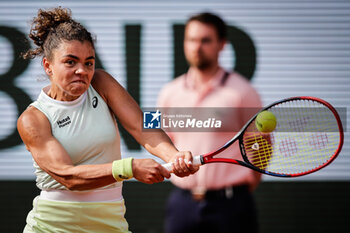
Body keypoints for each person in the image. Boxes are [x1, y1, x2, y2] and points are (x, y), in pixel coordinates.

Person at [17, 7, 197, 233]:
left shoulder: (101, 82)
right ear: (48, 66)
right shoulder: (32, 119)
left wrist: (174, 155)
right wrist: (129, 167)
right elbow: (68, 176)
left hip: (110, 223)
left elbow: (143, 124)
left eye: (88, 62)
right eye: (70, 62)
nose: (82, 70)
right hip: (52, 227)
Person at [157, 12, 262, 233]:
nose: (197, 47)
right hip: (182, 203)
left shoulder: (243, 92)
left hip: (231, 205)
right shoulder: (169, 92)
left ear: (222, 44)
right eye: (191, 40)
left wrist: (245, 184)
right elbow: (161, 140)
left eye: (205, 40)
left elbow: (261, 144)